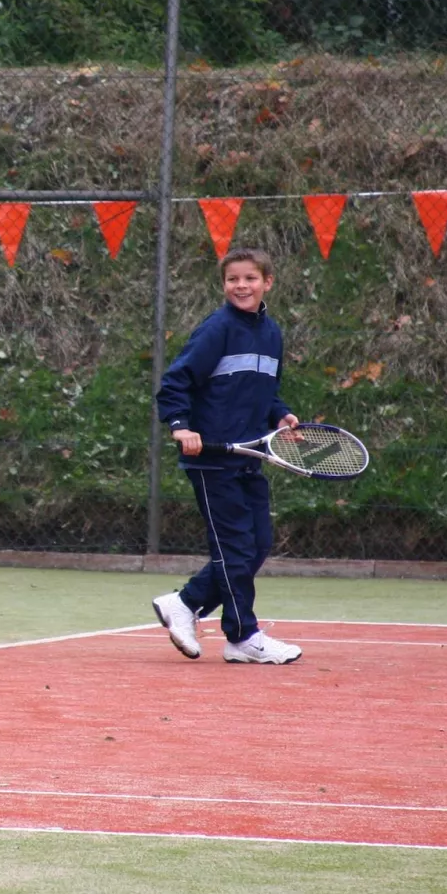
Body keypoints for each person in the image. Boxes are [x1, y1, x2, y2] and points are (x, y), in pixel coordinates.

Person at [151, 247, 303, 665]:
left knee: (257, 546)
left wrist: (281, 414)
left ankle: (185, 604)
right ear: (224, 285)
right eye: (233, 279)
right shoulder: (216, 328)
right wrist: (181, 426)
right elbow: (176, 381)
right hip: (211, 458)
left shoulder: (272, 333)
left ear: (267, 282)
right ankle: (242, 636)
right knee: (235, 548)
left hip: (249, 454)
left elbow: (264, 390)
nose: (241, 286)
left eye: (250, 278)